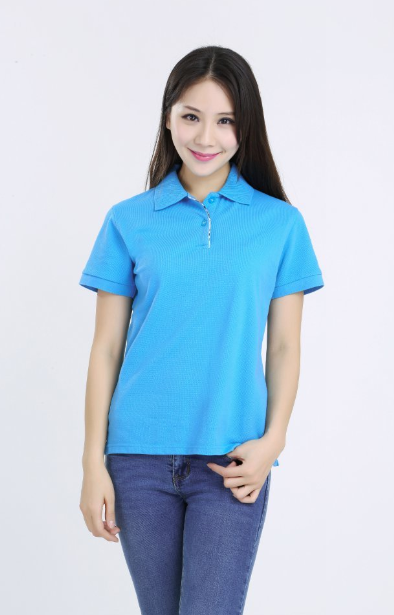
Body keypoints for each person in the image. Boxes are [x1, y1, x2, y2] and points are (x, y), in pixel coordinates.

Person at [79, 45, 324, 615]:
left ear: (246, 127)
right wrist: (93, 463)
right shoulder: (127, 220)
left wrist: (274, 441)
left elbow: (285, 346)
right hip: (137, 459)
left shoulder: (279, 224)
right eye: (191, 116)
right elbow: (106, 349)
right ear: (168, 116)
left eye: (225, 120)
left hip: (233, 460)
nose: (206, 137)